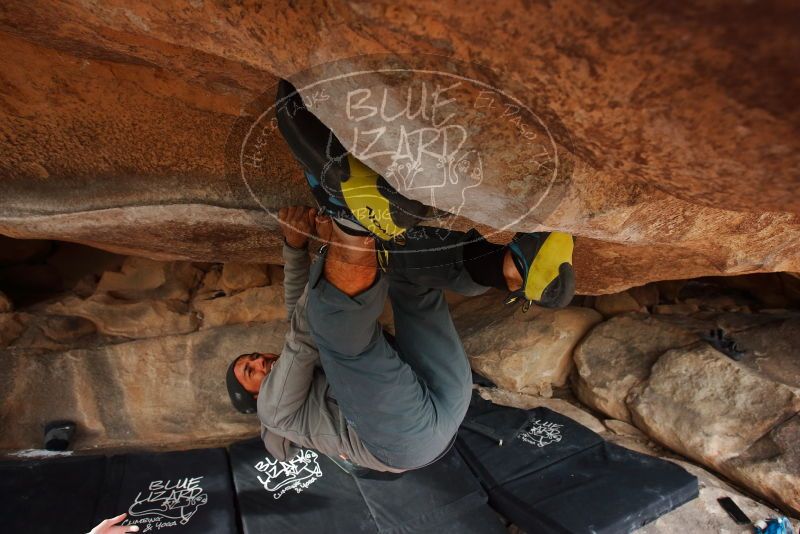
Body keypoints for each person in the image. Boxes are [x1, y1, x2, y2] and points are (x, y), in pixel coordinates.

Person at [226, 204, 575, 472]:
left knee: (408, 276)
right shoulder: (272, 412)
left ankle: (512, 269)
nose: (259, 362)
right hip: (408, 439)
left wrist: (293, 246)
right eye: (250, 372)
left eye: (252, 357)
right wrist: (326, 245)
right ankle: (349, 217)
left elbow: (298, 322)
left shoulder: (299, 384)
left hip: (446, 404)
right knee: (335, 328)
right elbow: (302, 338)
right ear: (253, 396)